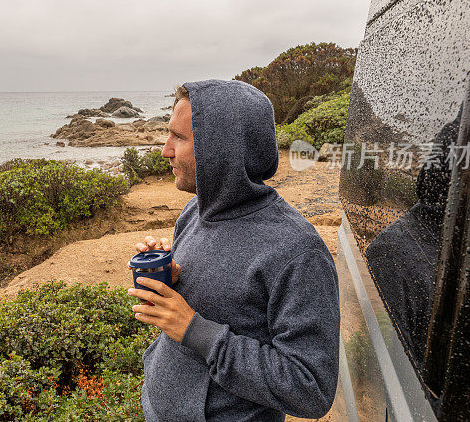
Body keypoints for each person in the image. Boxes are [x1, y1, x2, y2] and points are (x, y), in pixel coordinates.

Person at [128, 79, 340, 421]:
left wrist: (196, 331)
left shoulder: (297, 252)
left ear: (220, 149)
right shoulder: (196, 211)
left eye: (179, 138)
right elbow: (220, 300)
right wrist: (169, 277)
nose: (165, 150)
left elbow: (311, 388)